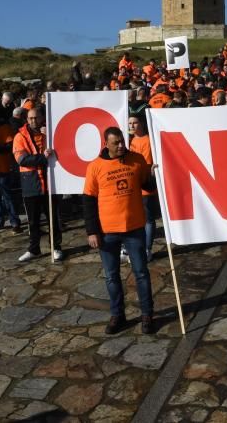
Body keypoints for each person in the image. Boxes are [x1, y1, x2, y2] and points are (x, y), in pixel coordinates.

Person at [83, 126, 156, 335]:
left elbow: (147, 186)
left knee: (141, 272)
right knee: (111, 276)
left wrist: (154, 176)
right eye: (116, 143)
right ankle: (118, 315)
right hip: (107, 232)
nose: (122, 145)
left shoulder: (137, 160)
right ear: (106, 144)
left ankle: (147, 315)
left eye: (123, 141)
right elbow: (88, 200)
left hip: (134, 228)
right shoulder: (95, 167)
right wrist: (92, 231)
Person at [13, 108, 64, 263]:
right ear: (26, 120)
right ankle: (34, 249)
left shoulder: (50, 133)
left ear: (42, 117)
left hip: (50, 181)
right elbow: (22, 160)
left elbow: (62, 150)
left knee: (53, 218)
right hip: (31, 182)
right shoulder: (19, 136)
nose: (33, 121)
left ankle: (56, 247)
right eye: (30, 118)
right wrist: (42, 157)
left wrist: (49, 136)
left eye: (36, 117)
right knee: (33, 220)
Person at [128, 114, 160, 260]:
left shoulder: (149, 140)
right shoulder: (130, 141)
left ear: (141, 123)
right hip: (133, 185)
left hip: (146, 183)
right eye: (130, 123)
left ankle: (147, 249)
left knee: (148, 219)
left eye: (135, 123)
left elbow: (149, 163)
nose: (132, 126)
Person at [0, 106, 22, 233]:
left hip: (2, 168)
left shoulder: (5, 128)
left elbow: (9, 147)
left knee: (7, 196)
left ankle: (14, 221)